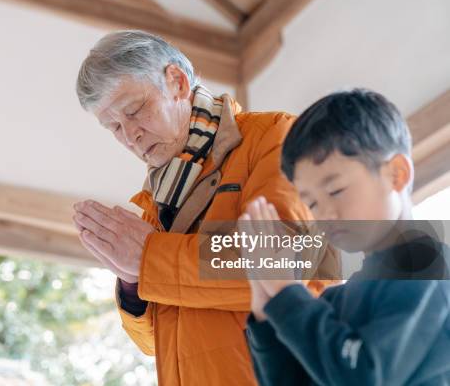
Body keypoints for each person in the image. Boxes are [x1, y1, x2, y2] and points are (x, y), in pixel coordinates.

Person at [72, 30, 339, 385]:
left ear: (177, 82)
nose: (130, 135)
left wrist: (149, 258)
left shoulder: (273, 137)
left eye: (135, 111)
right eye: (114, 127)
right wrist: (133, 285)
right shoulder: (154, 200)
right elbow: (155, 343)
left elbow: (284, 260)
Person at [243, 89, 450, 385]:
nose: (325, 213)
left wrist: (287, 290)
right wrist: (265, 307)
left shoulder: (427, 271)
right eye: (311, 203)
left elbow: (364, 377)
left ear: (397, 174)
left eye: (336, 190)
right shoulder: (337, 299)